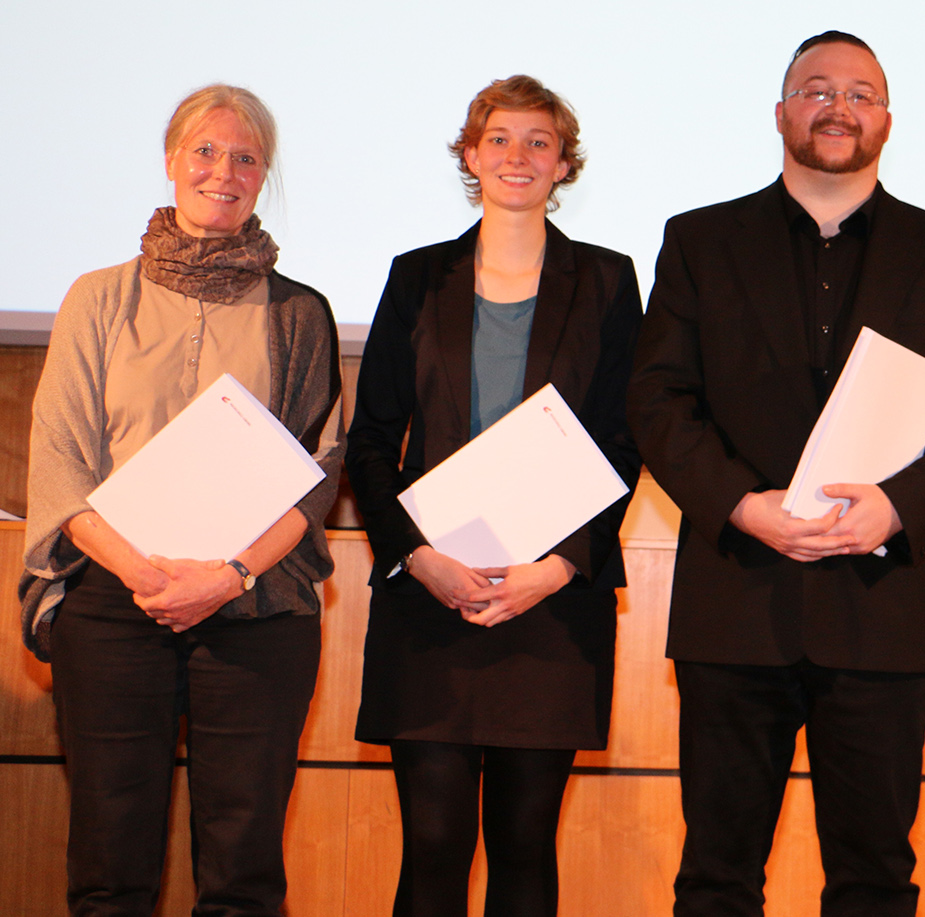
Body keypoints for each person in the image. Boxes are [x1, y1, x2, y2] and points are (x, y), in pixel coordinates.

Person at [627, 30, 925, 917]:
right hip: (736, 600)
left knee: (875, 879)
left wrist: (897, 506)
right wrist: (739, 505)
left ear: (885, 119)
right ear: (781, 112)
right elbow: (656, 400)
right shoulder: (699, 241)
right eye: (816, 89)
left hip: (885, 612)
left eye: (860, 93)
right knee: (718, 876)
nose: (838, 107)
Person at [21, 84, 342, 916]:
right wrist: (149, 574)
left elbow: (318, 472)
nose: (222, 172)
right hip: (116, 605)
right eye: (205, 151)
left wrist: (226, 575)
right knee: (110, 868)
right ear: (171, 161)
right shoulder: (97, 297)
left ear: (262, 175)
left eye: (244, 157)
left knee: (242, 876)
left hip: (257, 610)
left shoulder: (301, 313)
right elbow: (60, 459)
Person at [346, 75, 642, 917]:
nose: (519, 156)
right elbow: (372, 444)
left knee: (524, 848)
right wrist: (418, 557)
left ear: (563, 164)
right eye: (501, 139)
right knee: (434, 846)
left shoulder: (611, 282)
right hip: (429, 600)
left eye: (539, 141)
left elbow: (624, 445)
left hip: (552, 604)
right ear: (472, 156)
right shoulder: (417, 278)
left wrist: (559, 568)